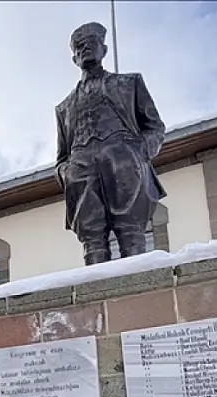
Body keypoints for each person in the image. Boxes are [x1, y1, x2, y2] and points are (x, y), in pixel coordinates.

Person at [54, 21, 167, 265]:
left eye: (90, 44)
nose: (85, 50)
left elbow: (155, 126)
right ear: (74, 58)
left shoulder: (129, 84)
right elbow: (62, 155)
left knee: (131, 232)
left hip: (124, 161)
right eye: (79, 47)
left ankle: (138, 289)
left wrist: (138, 153)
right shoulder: (63, 108)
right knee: (91, 237)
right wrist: (66, 172)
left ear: (103, 50)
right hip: (81, 169)